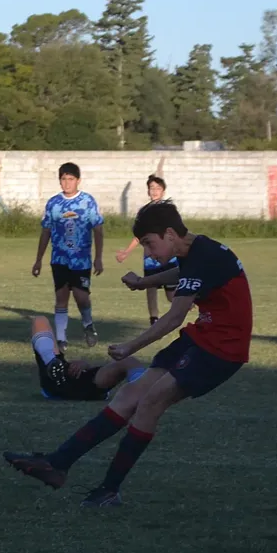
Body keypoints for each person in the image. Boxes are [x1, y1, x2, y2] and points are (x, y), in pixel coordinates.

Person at [5, 201, 253, 508]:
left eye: (149, 244)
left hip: (221, 350)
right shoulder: (195, 251)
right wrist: (144, 282)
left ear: (171, 233)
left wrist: (129, 347)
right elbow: (182, 272)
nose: (147, 253)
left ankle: (109, 490)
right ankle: (58, 464)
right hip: (201, 338)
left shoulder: (204, 255)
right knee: (129, 396)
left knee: (150, 402)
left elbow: (174, 318)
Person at [32, 162, 104, 351]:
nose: (67, 183)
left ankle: (88, 324)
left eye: (71, 179)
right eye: (63, 179)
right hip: (59, 259)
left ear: (78, 181)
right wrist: (38, 259)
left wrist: (98, 257)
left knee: (81, 297)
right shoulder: (54, 203)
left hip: (81, 260)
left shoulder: (87, 201)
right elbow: (46, 231)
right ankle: (61, 339)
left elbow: (98, 229)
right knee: (61, 298)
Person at [30, 316, 146, 401]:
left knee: (39, 321)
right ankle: (52, 363)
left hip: (81, 383)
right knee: (40, 320)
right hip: (83, 384)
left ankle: (52, 363)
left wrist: (85, 365)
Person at [116, 175, 177, 324]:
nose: (154, 191)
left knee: (171, 295)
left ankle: (185, 305)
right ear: (148, 191)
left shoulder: (168, 210)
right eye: (152, 188)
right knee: (150, 288)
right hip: (150, 257)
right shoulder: (144, 212)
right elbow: (138, 235)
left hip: (169, 256)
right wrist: (126, 252)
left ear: (163, 191)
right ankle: (154, 318)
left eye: (158, 188)